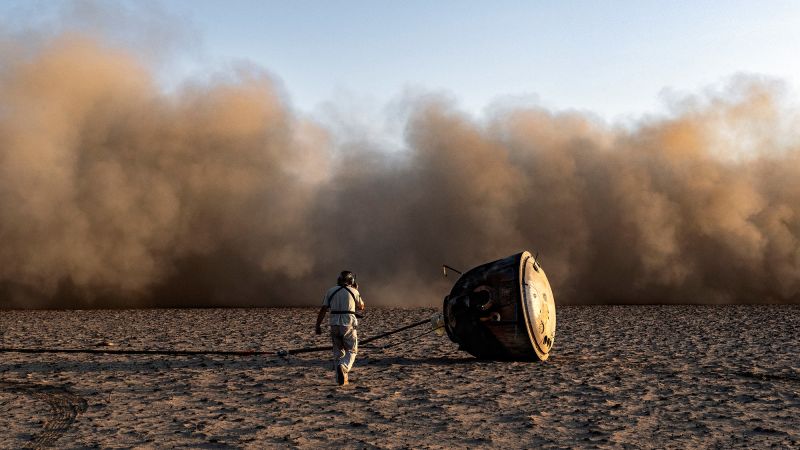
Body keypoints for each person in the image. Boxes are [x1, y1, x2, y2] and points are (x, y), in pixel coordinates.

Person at [315, 270, 365, 386]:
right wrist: (356, 290)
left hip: (334, 324)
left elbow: (323, 309)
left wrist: (318, 325)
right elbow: (361, 306)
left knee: (338, 352)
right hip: (348, 324)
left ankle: (341, 380)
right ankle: (344, 366)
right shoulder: (353, 291)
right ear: (351, 281)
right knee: (352, 350)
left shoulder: (330, 291)